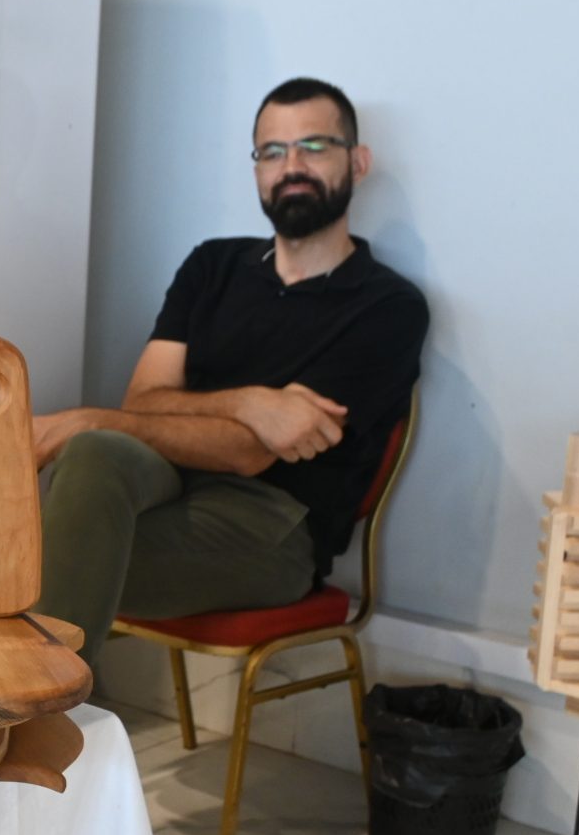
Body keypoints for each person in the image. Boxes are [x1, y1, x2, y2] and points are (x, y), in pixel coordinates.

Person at [34, 77, 428, 669]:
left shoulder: (387, 307)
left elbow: (249, 453)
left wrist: (101, 417)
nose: (291, 167)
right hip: (167, 480)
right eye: (272, 151)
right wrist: (252, 404)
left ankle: (32, 710)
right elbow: (142, 402)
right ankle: (36, 701)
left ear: (358, 161)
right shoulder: (213, 265)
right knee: (94, 451)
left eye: (314, 146)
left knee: (35, 562)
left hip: (273, 528)